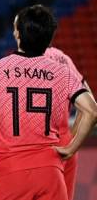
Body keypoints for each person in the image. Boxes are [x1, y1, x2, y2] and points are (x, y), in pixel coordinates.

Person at [0, 5, 97, 200]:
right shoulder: (63, 71)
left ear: (18, 32)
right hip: (51, 170)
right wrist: (70, 147)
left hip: (11, 170)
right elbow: (92, 111)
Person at [44, 46, 95, 200]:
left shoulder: (31, 59)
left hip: (40, 143)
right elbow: (89, 99)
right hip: (64, 139)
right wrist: (71, 137)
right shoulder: (63, 57)